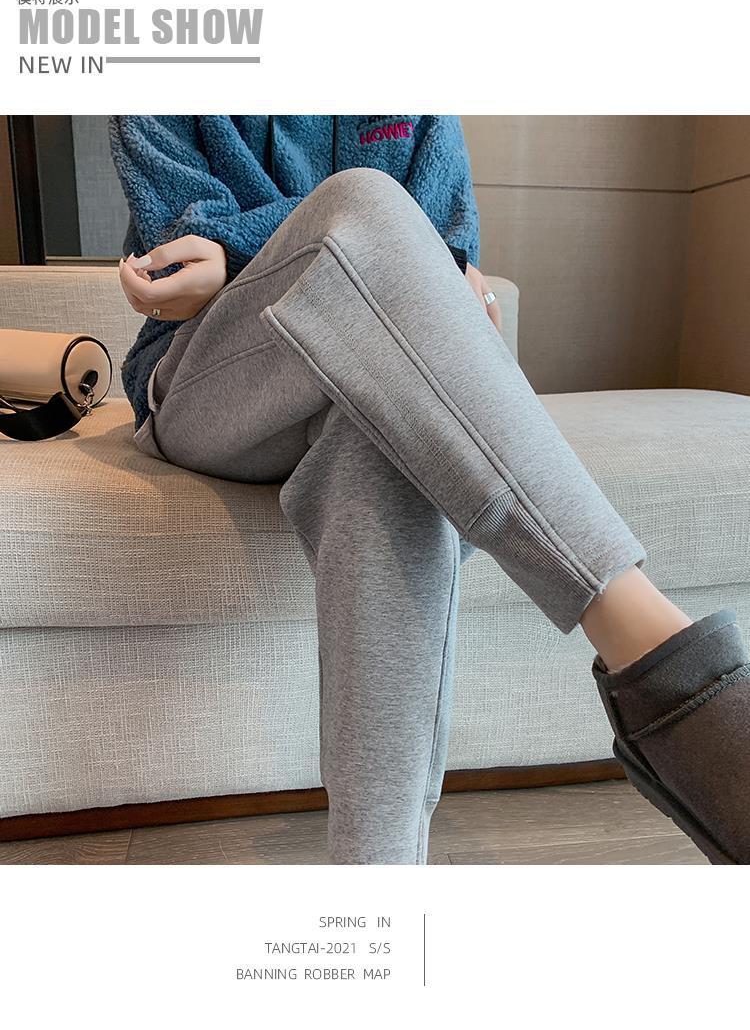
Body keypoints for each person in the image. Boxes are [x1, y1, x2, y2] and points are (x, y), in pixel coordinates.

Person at [110, 114, 750, 866]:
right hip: (213, 380)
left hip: (357, 373)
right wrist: (338, 244)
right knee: (361, 201)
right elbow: (184, 251)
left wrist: (409, 258)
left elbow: (449, 243)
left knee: (382, 439)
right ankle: (670, 668)